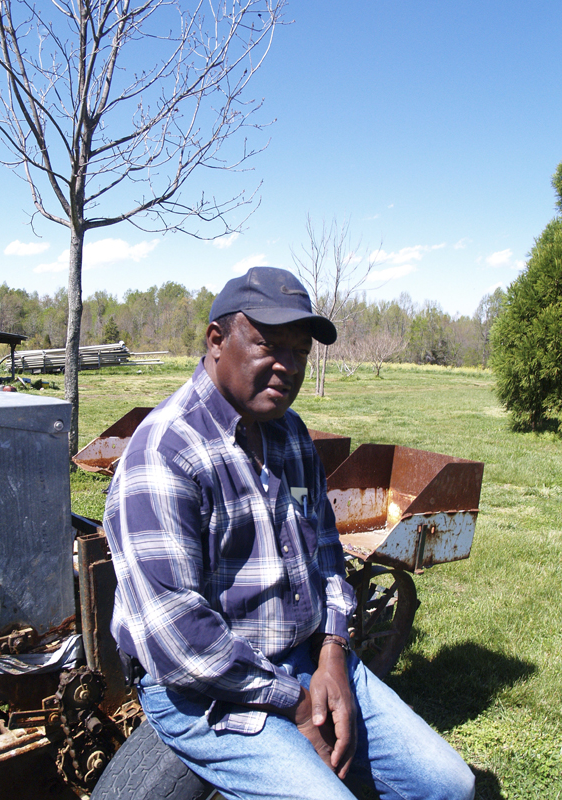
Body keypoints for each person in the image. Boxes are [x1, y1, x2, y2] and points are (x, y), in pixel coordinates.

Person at [103, 267, 475, 800]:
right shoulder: (165, 454)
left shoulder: (289, 435)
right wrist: (298, 704)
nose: (288, 367)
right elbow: (177, 636)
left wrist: (332, 654)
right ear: (216, 341)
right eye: (269, 344)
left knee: (450, 786)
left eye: (300, 351)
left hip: (306, 655)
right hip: (208, 687)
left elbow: (324, 548)